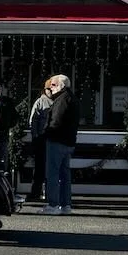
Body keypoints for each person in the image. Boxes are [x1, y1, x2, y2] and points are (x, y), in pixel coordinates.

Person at [42, 73, 80, 216]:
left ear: (59, 85)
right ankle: (66, 204)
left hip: (57, 140)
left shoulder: (62, 100)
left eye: (52, 85)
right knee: (65, 175)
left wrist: (47, 133)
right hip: (69, 141)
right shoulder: (73, 99)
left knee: (52, 173)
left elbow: (56, 121)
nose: (50, 88)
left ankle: (53, 204)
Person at [26, 79, 54, 201]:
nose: (51, 92)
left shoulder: (57, 102)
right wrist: (36, 136)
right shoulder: (40, 102)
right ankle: (35, 193)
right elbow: (33, 121)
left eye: (52, 89)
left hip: (53, 139)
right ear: (45, 90)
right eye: (49, 89)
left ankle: (49, 193)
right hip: (41, 139)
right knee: (39, 169)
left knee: (51, 168)